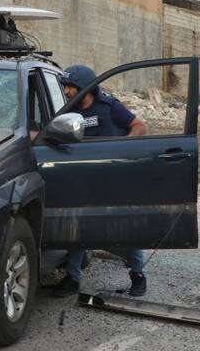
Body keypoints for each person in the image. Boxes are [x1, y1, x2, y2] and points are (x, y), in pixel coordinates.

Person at [53, 64, 149, 298]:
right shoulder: (68, 111)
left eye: (70, 87)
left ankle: (137, 274)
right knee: (78, 227)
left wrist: (120, 149)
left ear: (85, 88)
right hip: (84, 178)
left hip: (113, 177)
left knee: (126, 227)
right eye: (65, 86)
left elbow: (139, 126)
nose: (66, 91)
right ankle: (73, 278)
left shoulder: (110, 106)